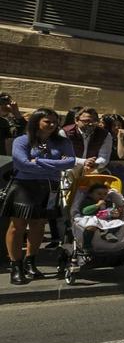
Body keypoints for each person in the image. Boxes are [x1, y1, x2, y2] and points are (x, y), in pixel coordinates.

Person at [2, 108, 80, 284]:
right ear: (37, 121)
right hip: (24, 186)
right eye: (47, 121)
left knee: (38, 225)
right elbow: (22, 164)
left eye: (55, 122)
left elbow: (70, 162)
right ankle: (16, 266)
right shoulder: (22, 140)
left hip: (49, 187)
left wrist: (37, 161)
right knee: (17, 226)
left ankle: (31, 262)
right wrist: (55, 164)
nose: (52, 125)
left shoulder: (61, 142)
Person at [70, 180, 124, 261]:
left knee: (120, 224)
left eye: (105, 194)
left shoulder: (108, 202)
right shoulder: (88, 201)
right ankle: (87, 245)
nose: (102, 196)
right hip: (90, 218)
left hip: (104, 220)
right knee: (91, 226)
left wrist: (115, 213)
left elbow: (109, 211)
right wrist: (97, 205)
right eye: (99, 194)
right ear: (91, 194)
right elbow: (84, 211)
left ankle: (108, 233)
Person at [103, 114, 124, 196]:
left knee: (120, 195)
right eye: (114, 125)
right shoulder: (104, 137)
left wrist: (120, 138)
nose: (117, 127)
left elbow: (122, 155)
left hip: (121, 168)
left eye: (119, 125)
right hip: (105, 168)